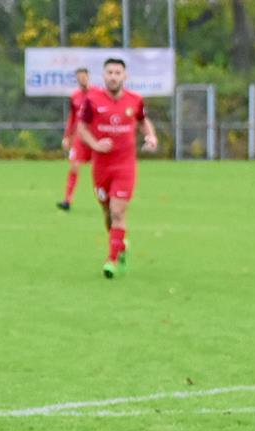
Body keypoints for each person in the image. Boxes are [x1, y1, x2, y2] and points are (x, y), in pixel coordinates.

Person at [76, 58, 159, 279]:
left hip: (125, 166)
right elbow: (81, 127)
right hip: (101, 167)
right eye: (110, 72)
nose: (113, 76)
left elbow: (143, 121)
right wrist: (95, 144)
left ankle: (112, 260)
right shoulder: (92, 100)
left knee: (117, 211)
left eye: (117, 72)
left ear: (125, 76)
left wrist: (150, 136)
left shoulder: (135, 100)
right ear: (104, 76)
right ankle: (119, 244)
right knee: (107, 213)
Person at [56, 67, 91, 212]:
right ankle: (67, 201)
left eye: (83, 77)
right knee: (74, 166)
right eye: (79, 77)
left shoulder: (97, 94)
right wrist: (67, 136)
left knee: (102, 169)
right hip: (79, 137)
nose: (81, 79)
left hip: (95, 137)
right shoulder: (75, 96)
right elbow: (72, 118)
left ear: (88, 77)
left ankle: (109, 197)